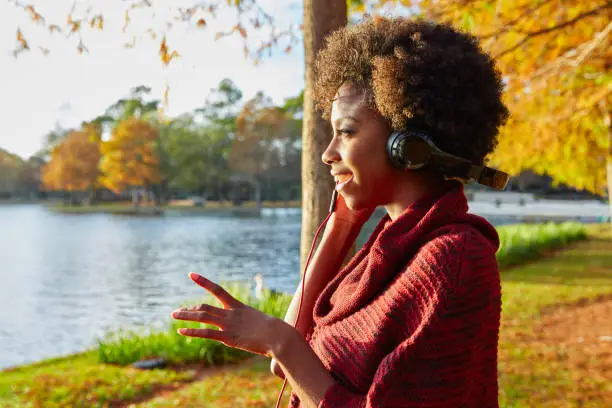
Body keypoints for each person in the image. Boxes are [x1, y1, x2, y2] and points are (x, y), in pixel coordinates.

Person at [172, 17, 509, 408]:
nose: (327, 153)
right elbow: (290, 360)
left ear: (408, 145)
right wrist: (343, 223)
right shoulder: (386, 247)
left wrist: (276, 339)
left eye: (346, 132)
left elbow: (288, 346)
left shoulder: (453, 259)